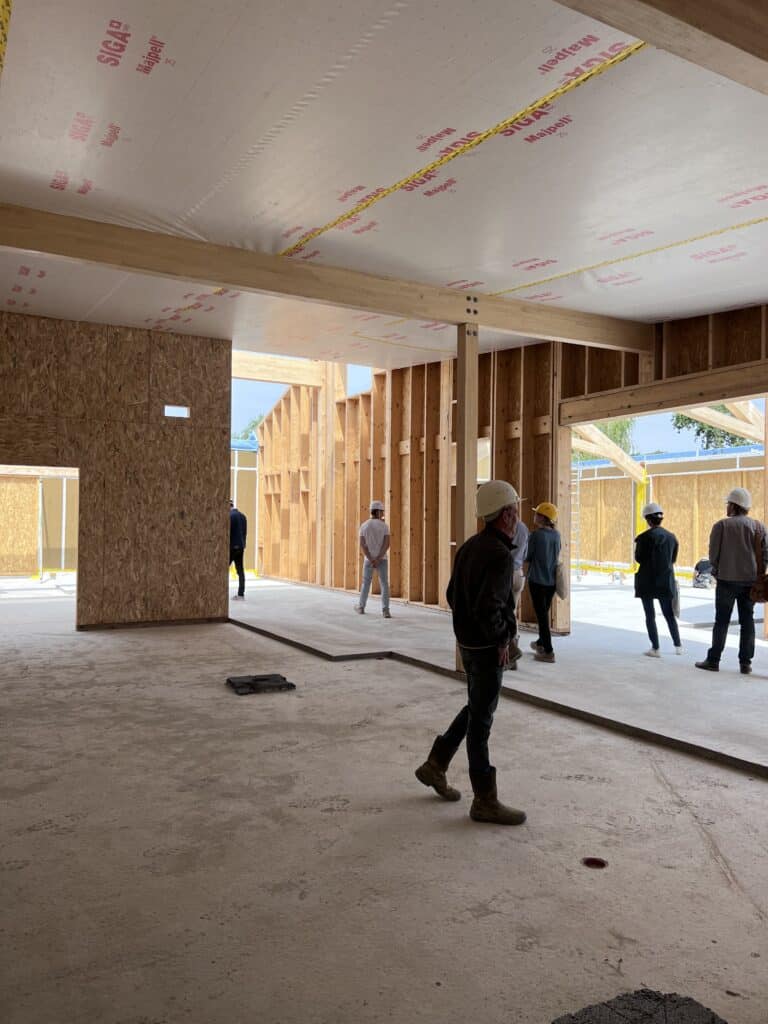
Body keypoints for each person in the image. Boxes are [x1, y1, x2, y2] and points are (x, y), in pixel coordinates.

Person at [414, 480, 526, 826]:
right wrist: (502, 641)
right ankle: (484, 801)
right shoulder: (499, 556)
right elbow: (491, 606)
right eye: (515, 510)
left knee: (476, 706)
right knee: (482, 722)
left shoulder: (470, 547)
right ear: (506, 514)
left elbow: (452, 594)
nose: (518, 516)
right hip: (487, 649)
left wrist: (468, 634)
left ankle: (435, 765)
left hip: (468, 644)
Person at [696, 487, 767, 675]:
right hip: (750, 583)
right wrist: (759, 576)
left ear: (734, 506)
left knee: (721, 621)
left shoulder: (721, 526)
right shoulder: (759, 527)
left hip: (726, 580)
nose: (726, 506)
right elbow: (765, 555)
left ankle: (714, 660)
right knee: (747, 621)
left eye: (728, 503)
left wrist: (718, 570)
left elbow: (713, 555)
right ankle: (745, 663)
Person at [634, 502, 681, 657]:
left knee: (650, 615)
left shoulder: (643, 538)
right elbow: (673, 559)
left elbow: (639, 558)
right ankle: (678, 646)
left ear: (648, 520)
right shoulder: (672, 537)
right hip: (665, 579)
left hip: (647, 580)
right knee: (668, 614)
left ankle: (656, 648)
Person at [525, 501, 561, 664]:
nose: (535, 516)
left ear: (543, 517)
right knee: (543, 615)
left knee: (542, 618)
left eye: (537, 513)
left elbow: (528, 556)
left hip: (537, 581)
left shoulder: (536, 535)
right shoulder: (556, 535)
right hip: (551, 582)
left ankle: (548, 651)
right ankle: (540, 643)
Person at [354, 500, 391, 618]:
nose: (383, 513)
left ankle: (361, 607)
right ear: (379, 512)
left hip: (368, 560)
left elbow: (363, 545)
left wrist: (371, 558)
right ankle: (385, 610)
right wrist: (379, 558)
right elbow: (386, 544)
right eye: (382, 511)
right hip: (382, 560)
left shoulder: (364, 526)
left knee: (366, 583)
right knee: (384, 584)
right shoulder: (384, 526)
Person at [507, 517, 530, 672]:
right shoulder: (524, 528)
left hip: (506, 573)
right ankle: (513, 651)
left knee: (504, 615)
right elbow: (526, 552)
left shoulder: (508, 527)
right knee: (512, 613)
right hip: (519, 573)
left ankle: (511, 652)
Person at [229, 499, 247, 600]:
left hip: (232, 547)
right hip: (240, 547)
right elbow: (244, 533)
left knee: (222, 570)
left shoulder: (230, 516)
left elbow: (228, 533)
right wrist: (243, 544)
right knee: (240, 570)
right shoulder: (243, 516)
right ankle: (241, 594)